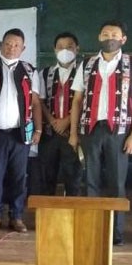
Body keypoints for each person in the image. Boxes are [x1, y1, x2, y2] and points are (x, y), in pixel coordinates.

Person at [69, 20, 132, 246]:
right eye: (105, 33)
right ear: (99, 37)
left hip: (120, 132)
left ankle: (116, 233)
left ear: (123, 39)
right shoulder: (87, 63)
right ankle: (92, 229)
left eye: (114, 34)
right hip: (90, 130)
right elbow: (77, 100)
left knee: (117, 183)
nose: (109, 37)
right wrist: (74, 133)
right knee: (90, 181)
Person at [0, 28, 42, 233]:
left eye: (16, 45)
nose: (11, 48)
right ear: (0, 45)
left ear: (23, 48)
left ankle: (17, 216)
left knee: (19, 176)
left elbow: (35, 103)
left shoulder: (29, 70)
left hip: (20, 133)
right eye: (8, 44)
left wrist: (38, 130)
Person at [34, 32, 82, 196]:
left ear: (77, 49)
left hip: (73, 134)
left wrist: (67, 121)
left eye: (69, 47)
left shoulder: (85, 72)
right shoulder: (44, 73)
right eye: (60, 47)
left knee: (73, 177)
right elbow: (39, 101)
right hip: (50, 133)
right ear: (54, 50)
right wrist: (53, 121)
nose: (65, 50)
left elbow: (84, 102)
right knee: (47, 177)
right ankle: (47, 217)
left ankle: (73, 215)